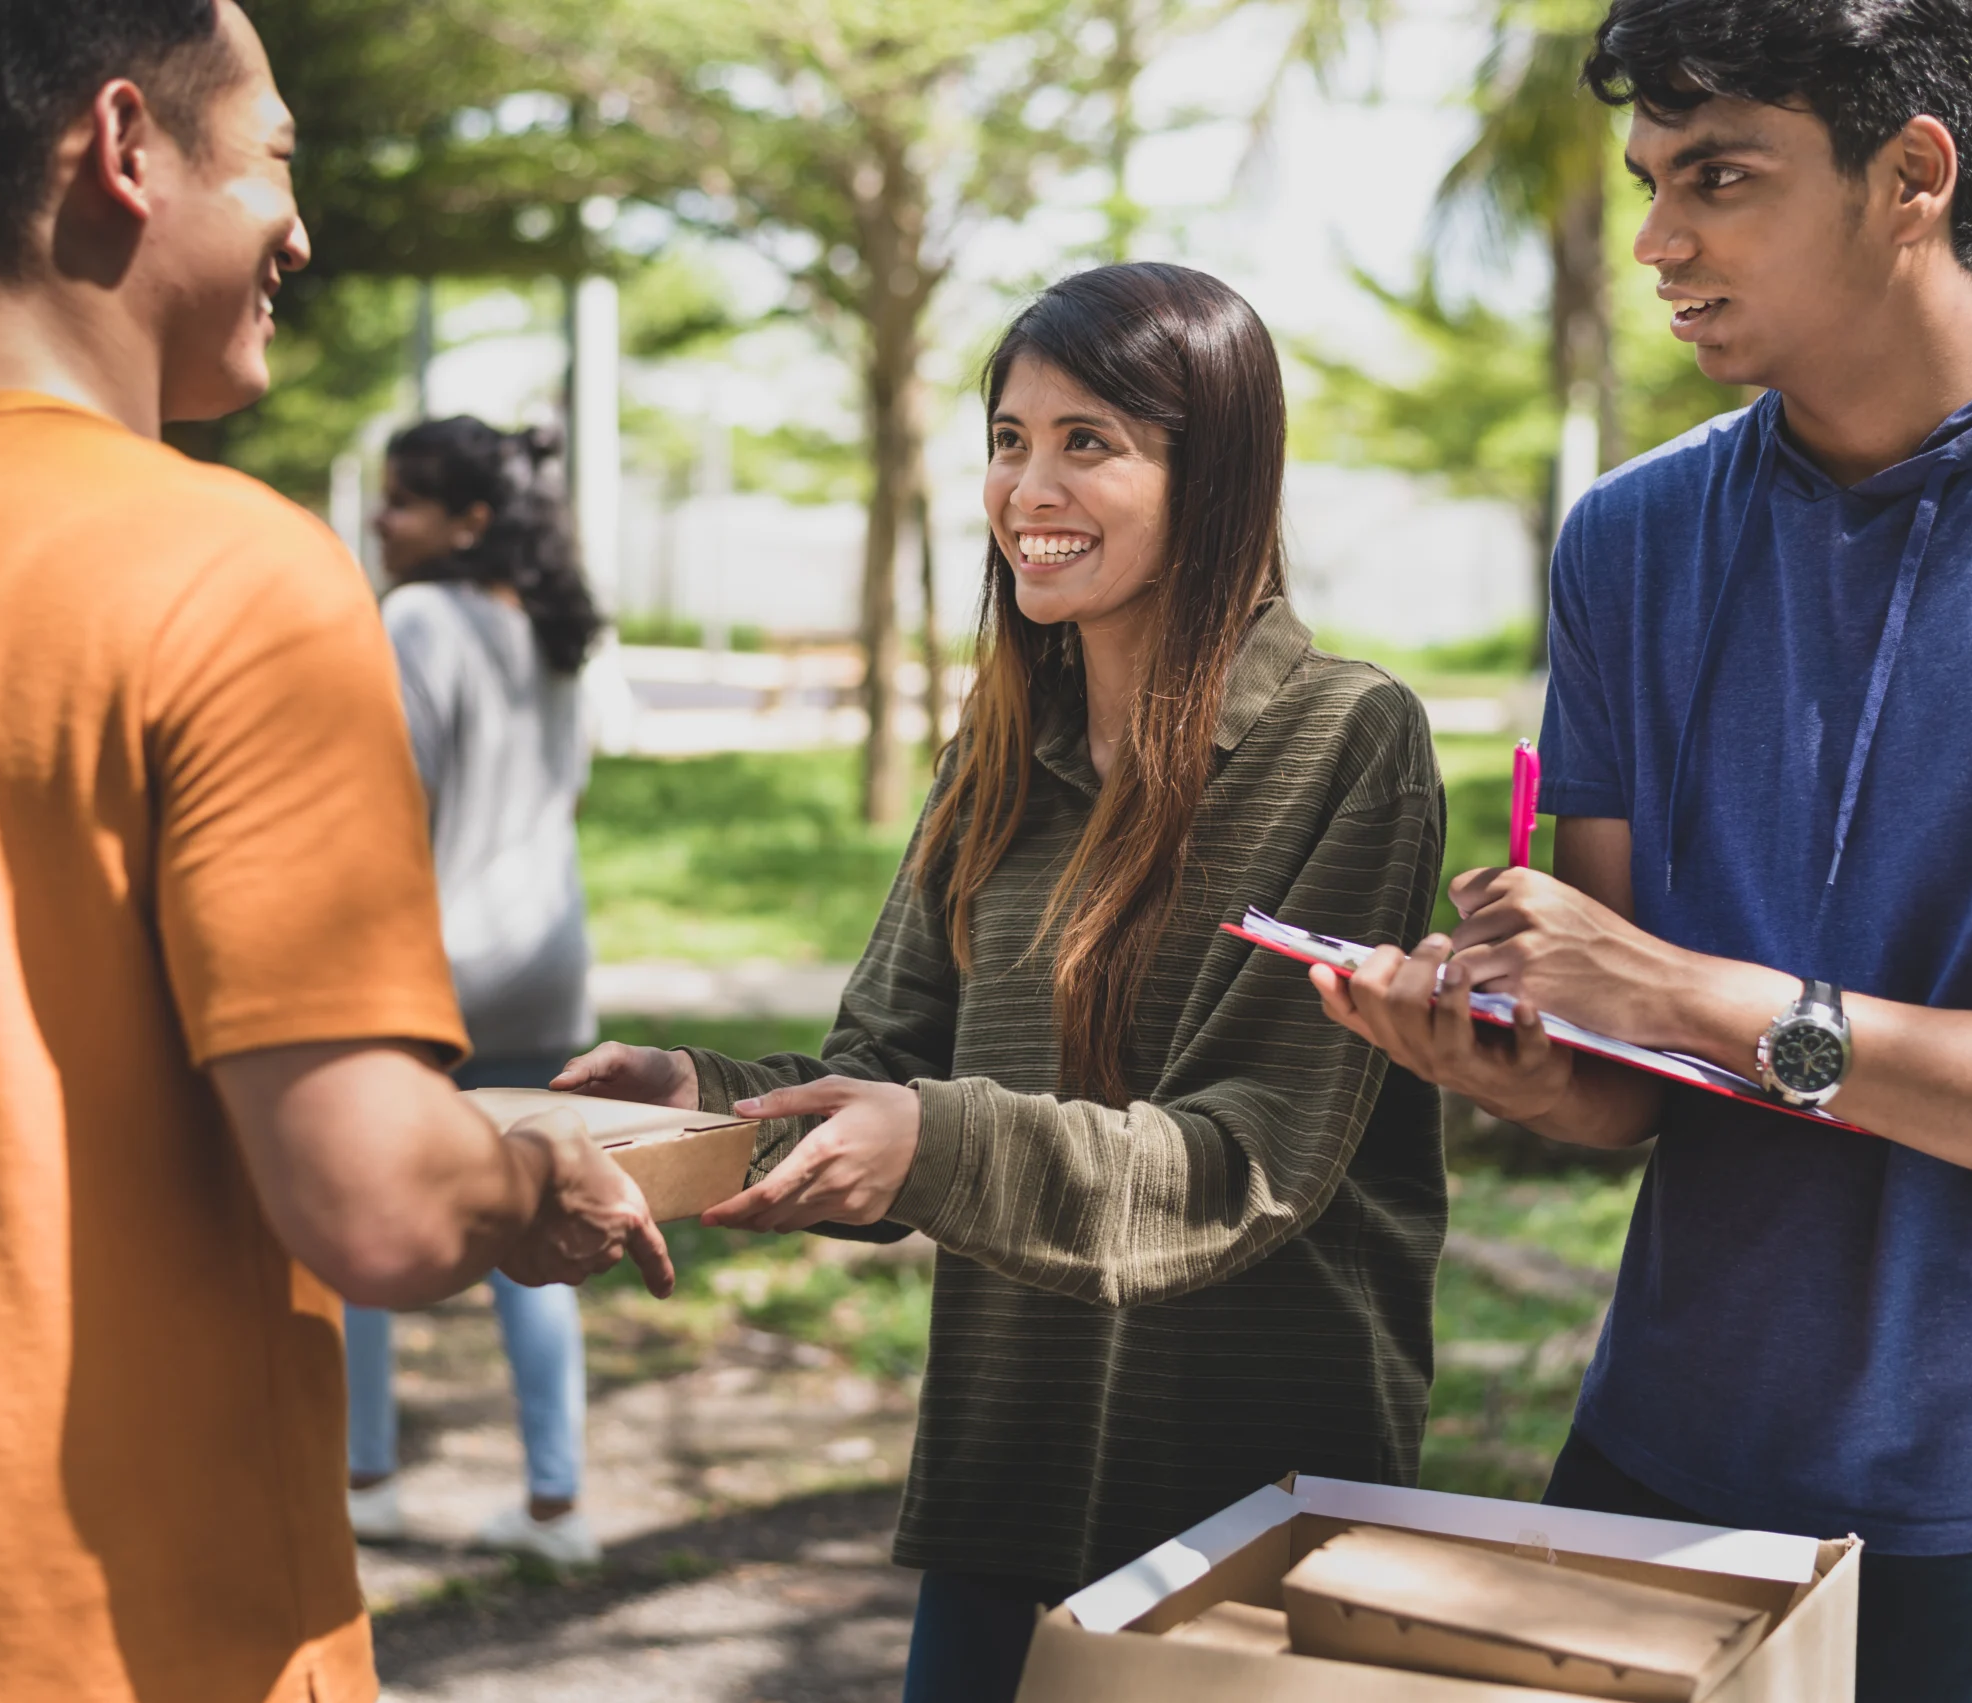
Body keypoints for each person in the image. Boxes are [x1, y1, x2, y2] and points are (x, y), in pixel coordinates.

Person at [0, 4, 673, 1700]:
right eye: (276, 156)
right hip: (152, 1640)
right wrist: (530, 1182)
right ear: (127, 149)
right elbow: (367, 1193)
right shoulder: (238, 573)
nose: (305, 224)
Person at [1314, 3, 1972, 1699]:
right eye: (1651, 177)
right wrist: (1507, 1050)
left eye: (1719, 177)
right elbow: (1626, 1080)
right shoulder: (1633, 540)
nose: (1659, 237)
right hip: (1661, 1466)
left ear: (1911, 172)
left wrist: (1706, 997)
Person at [561, 261, 1450, 1703]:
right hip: (1005, 1479)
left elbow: (1249, 1162)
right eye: (1007, 438)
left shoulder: (1346, 738)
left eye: (1088, 440)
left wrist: (935, 1144)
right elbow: (883, 1071)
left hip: (1250, 1505)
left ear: (1211, 473)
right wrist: (699, 1103)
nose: (1029, 483)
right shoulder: (993, 762)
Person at [345, 417, 608, 1566]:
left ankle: (366, 1477)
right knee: (533, 1222)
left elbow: (392, 806)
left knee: (351, 1218)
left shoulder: (414, 618)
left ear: (467, 519)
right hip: (550, 963)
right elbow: (571, 791)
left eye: (400, 500)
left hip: (435, 969)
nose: (378, 519)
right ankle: (558, 1504)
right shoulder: (551, 628)